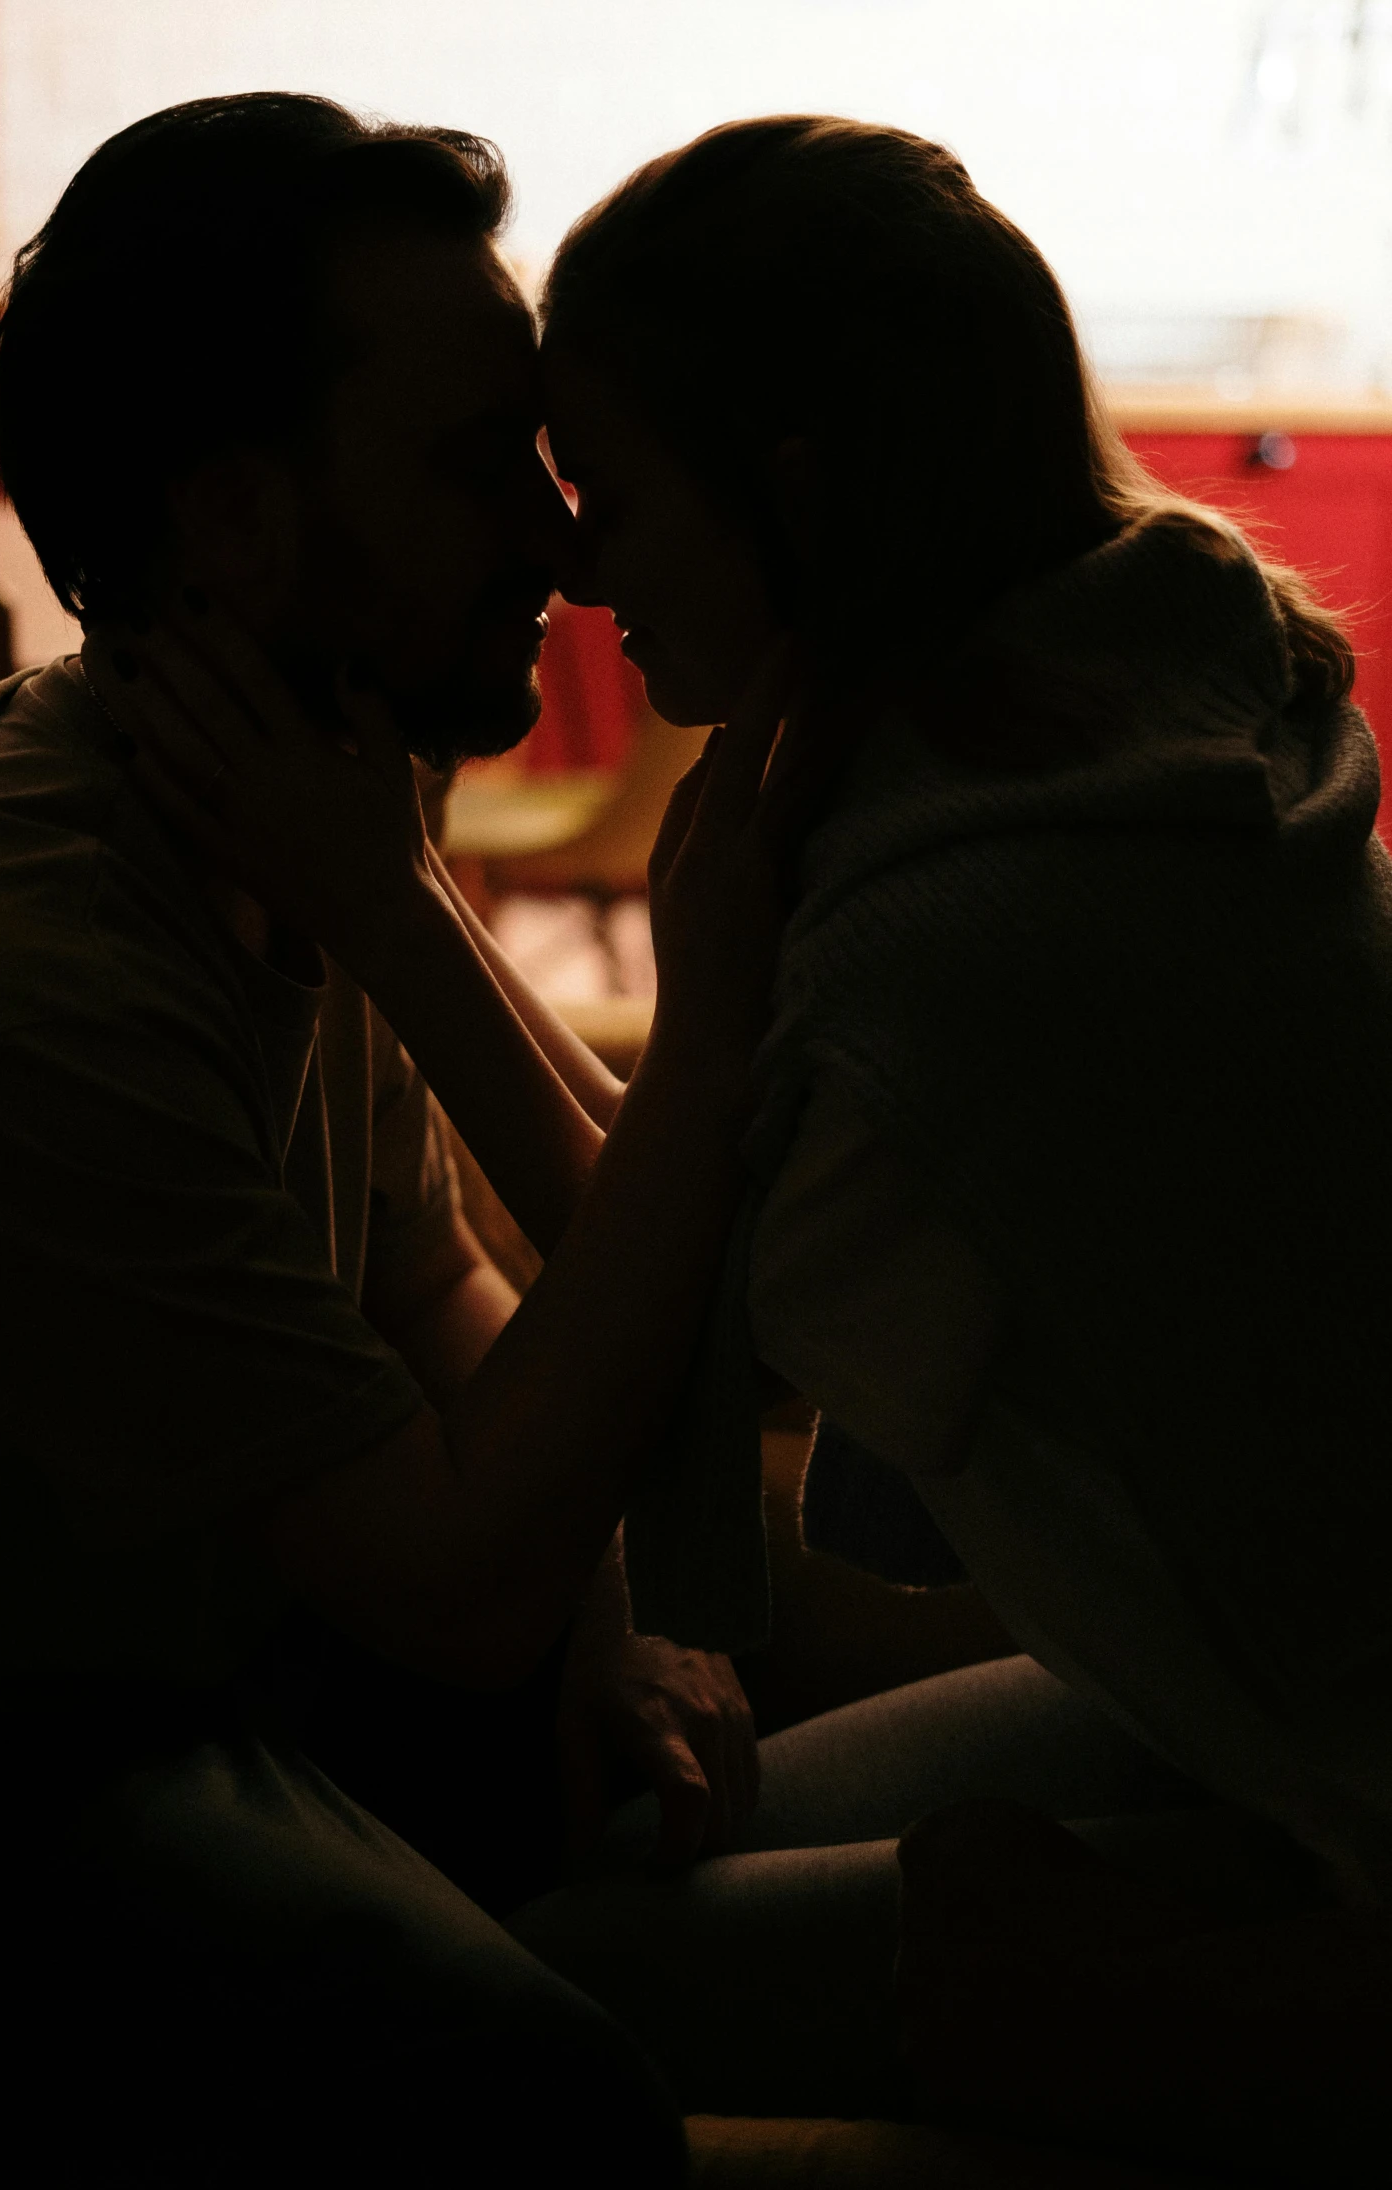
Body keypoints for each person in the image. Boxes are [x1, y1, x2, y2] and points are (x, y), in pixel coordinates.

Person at [0, 91, 819, 2186]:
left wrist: (614, 1610)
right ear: (236, 524)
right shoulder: (18, 956)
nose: (559, 535)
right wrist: (717, 1007)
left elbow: (443, 1282)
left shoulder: (296, 791)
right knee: (539, 2099)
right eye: (481, 466)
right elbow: (455, 1580)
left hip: (231, 1641)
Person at [495, 115, 1392, 2174]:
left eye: (609, 496)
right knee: (650, 1871)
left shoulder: (957, 940)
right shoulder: (1169, 694)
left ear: (790, 495)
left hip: (1352, 1764)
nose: (566, 563)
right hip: (1260, 1683)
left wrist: (392, 906)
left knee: (554, 1995)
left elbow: (662, 1322)